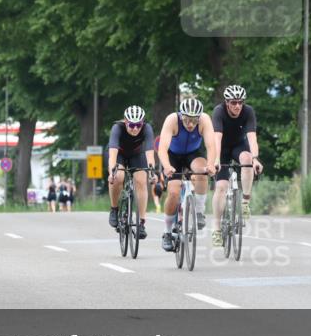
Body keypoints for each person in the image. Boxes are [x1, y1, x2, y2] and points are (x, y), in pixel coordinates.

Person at [157, 97, 217, 252]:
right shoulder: (172, 120)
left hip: (193, 153)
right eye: (186, 120)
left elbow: (211, 146)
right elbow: (162, 148)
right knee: (174, 192)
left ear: (199, 117)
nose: (190, 124)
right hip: (173, 156)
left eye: (194, 120)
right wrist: (167, 166)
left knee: (202, 171)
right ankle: (168, 232)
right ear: (181, 115)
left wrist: (210, 164)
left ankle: (198, 210)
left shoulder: (204, 120)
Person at [210, 85, 263, 248]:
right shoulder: (218, 112)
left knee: (247, 158)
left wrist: (255, 159)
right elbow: (216, 139)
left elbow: (252, 138)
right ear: (227, 102)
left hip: (239, 145)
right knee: (221, 187)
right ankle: (217, 229)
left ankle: (245, 201)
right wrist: (216, 159)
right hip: (222, 149)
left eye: (240, 102)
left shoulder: (248, 112)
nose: (237, 106)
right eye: (233, 102)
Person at [108, 105, 156, 240]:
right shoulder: (117, 128)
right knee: (118, 176)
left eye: (138, 125)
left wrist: (152, 173)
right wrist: (112, 172)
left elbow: (149, 154)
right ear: (125, 121)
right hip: (119, 154)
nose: (135, 128)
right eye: (132, 125)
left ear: (143, 123)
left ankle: (141, 223)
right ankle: (114, 208)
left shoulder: (147, 129)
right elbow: (112, 154)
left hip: (137, 154)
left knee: (141, 181)